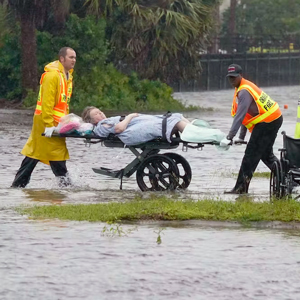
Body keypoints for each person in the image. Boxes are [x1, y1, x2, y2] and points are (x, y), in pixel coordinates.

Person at [11, 47, 77, 188]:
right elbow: (47, 103)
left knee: (39, 154)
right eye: (71, 57)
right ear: (62, 59)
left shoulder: (68, 77)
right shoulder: (52, 76)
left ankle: (18, 186)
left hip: (57, 123)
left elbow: (63, 104)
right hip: (45, 122)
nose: (74, 60)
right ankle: (66, 187)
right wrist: (48, 125)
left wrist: (67, 122)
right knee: (44, 154)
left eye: (75, 58)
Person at [220, 64, 283, 194]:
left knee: (250, 155)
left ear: (240, 76)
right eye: (230, 78)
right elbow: (247, 117)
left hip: (268, 121)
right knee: (265, 155)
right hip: (273, 119)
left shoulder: (243, 91)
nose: (232, 80)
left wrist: (229, 137)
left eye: (234, 77)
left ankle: (240, 188)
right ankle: (287, 178)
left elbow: (240, 116)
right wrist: (241, 137)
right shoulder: (242, 87)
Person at [81, 107, 191, 146]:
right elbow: (119, 129)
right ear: (91, 121)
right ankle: (195, 133)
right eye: (96, 114)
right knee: (173, 121)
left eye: (100, 111)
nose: (100, 114)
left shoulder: (107, 120)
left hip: (136, 125)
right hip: (131, 132)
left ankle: (195, 130)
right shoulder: (101, 126)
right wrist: (130, 116)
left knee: (175, 117)